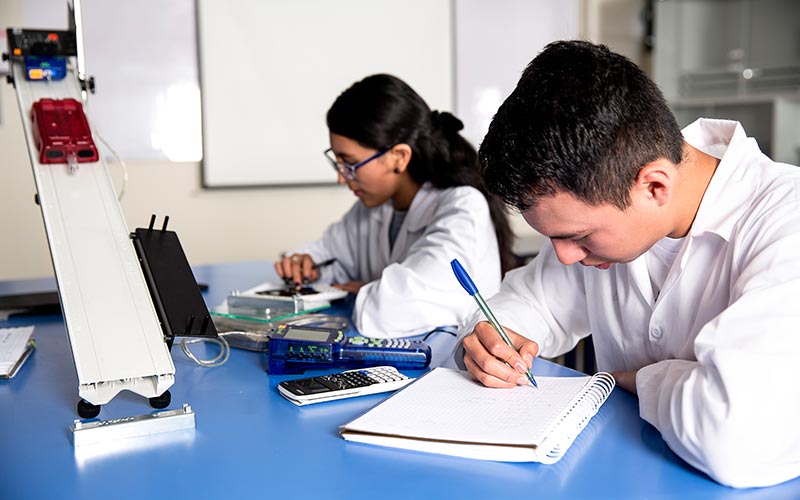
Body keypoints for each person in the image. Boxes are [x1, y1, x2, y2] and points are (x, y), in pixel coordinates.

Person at [456, 40, 800, 488]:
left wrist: (640, 380)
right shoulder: (609, 200)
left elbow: (737, 440)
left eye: (577, 236)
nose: (564, 256)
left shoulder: (785, 223)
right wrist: (489, 341)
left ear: (655, 186)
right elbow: (525, 304)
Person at [276, 74, 515, 338]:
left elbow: (390, 311)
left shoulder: (461, 209)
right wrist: (305, 265)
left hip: (451, 368)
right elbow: (330, 258)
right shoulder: (374, 207)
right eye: (338, 162)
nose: (341, 177)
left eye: (350, 163)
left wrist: (367, 289)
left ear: (398, 156)